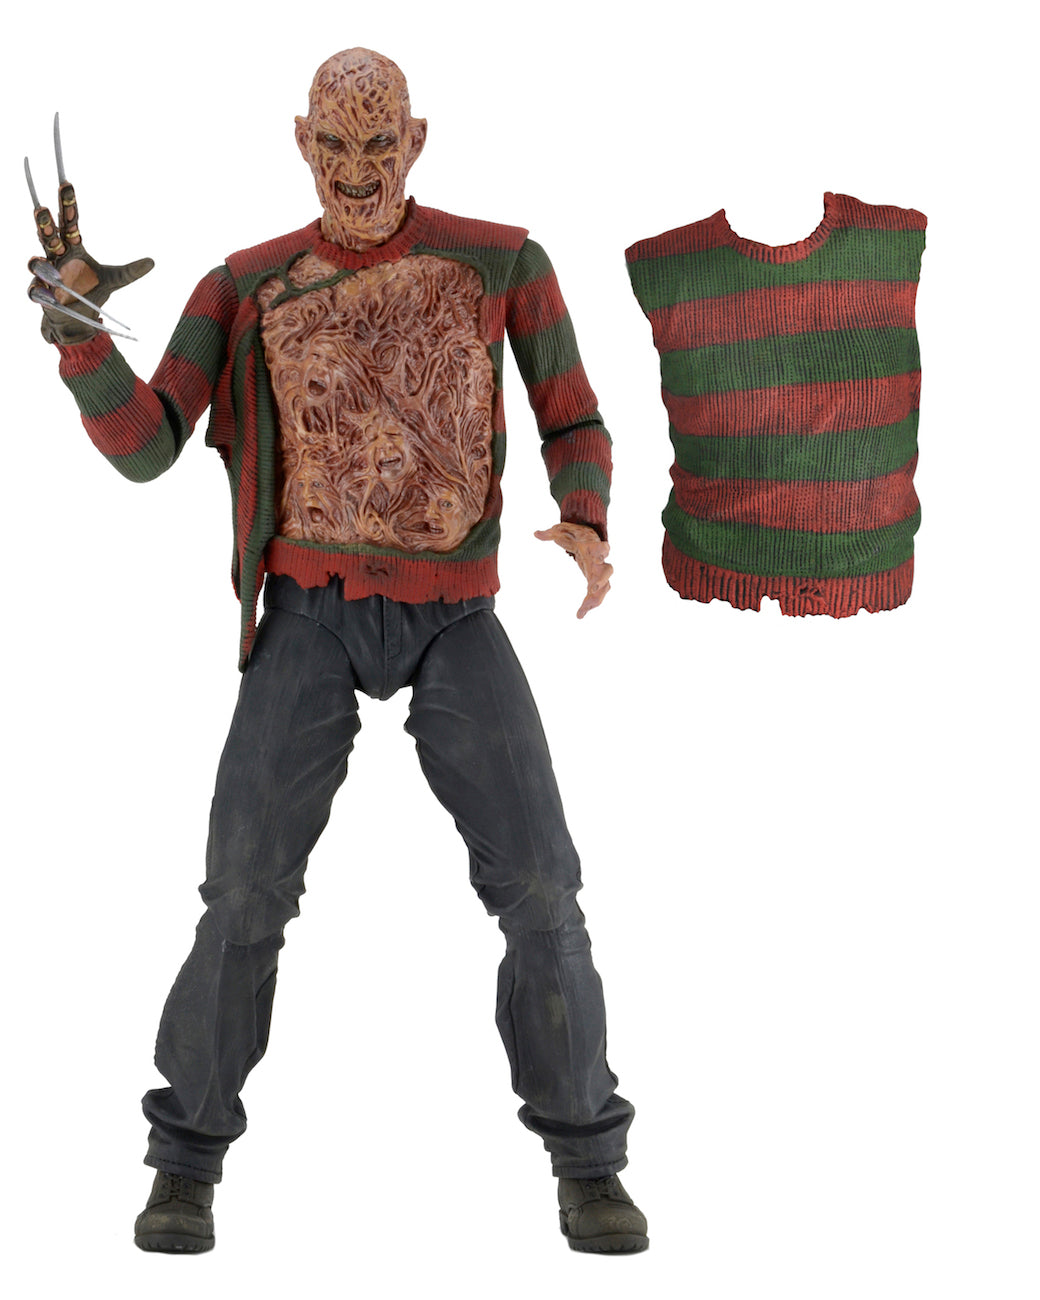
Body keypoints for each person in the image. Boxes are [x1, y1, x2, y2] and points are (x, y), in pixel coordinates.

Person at [30, 47, 647, 1256]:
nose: (357, 171)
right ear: (301, 142)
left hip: (456, 610)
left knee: (540, 882)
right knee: (243, 887)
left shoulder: (501, 261)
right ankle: (184, 1160)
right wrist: (81, 338)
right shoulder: (246, 283)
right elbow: (149, 445)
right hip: (307, 609)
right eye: (335, 145)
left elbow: (572, 411)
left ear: (414, 141)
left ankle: (588, 1157)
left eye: (378, 144)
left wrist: (585, 514)